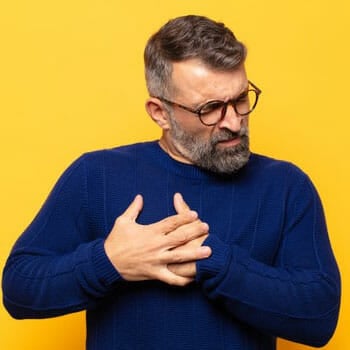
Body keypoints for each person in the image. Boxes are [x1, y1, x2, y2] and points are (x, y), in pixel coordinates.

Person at [2, 15, 341, 350]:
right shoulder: (96, 175)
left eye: (240, 99)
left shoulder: (286, 186)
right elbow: (18, 290)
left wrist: (214, 262)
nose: (235, 122)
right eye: (211, 108)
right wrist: (109, 261)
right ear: (159, 112)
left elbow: (320, 318)